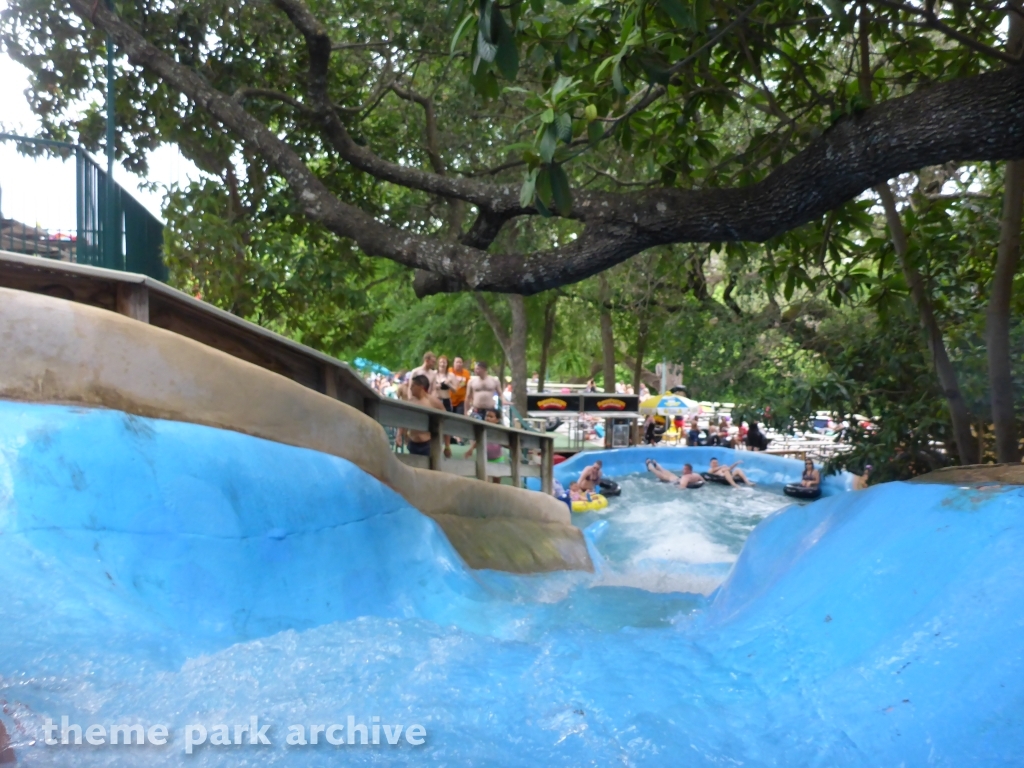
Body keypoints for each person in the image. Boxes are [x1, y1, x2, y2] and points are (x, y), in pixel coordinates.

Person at [404, 374, 451, 458]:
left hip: (428, 444)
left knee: (429, 468)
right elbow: (404, 419)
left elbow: (446, 422)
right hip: (413, 442)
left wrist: (447, 446)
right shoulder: (410, 401)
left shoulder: (434, 402)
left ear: (421, 387)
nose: (410, 388)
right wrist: (400, 435)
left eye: (413, 386)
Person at [465, 408, 505, 483]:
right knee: (484, 480)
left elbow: (505, 443)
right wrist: (471, 450)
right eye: (487, 416)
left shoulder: (499, 431)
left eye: (491, 417)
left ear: (497, 420)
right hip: (485, 459)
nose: (488, 418)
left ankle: (495, 493)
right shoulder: (483, 429)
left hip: (498, 459)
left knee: (497, 481)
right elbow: (478, 441)